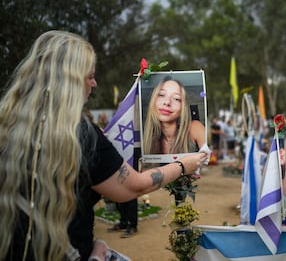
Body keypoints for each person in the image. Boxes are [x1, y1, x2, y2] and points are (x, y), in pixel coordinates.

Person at [0, 30, 207, 261]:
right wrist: (183, 165)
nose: (94, 83)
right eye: (90, 76)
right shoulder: (79, 133)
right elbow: (132, 187)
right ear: (70, 81)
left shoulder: (8, 122)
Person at [142, 76, 206, 155]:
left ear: (183, 107)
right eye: (161, 95)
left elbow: (212, 162)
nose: (167, 102)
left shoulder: (195, 128)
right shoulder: (146, 139)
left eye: (176, 98)